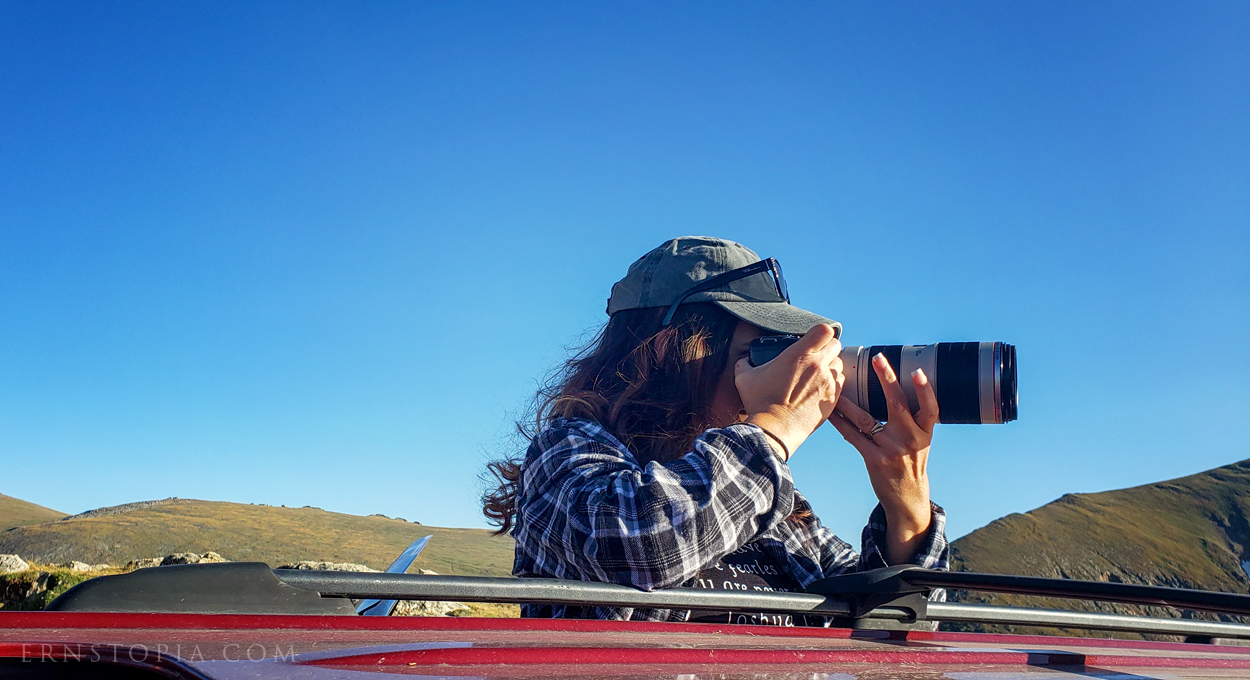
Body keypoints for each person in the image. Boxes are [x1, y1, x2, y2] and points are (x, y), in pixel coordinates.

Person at [482, 236, 947, 625]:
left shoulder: (770, 498)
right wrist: (775, 429)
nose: (782, 373)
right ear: (679, 352)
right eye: (755, 351)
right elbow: (643, 548)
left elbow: (887, 629)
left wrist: (906, 505)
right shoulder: (567, 453)